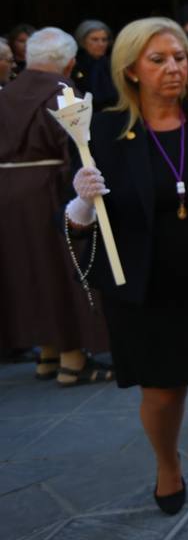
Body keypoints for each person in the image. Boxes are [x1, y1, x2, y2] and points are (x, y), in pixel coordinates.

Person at [64, 17, 188, 540]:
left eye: (178, 57)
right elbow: (77, 221)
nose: (173, 68)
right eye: (158, 59)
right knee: (162, 391)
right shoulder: (101, 131)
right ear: (130, 70)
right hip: (145, 284)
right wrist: (81, 198)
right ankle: (168, 464)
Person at [0, 28, 112, 384]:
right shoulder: (62, 92)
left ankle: (47, 353)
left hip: (7, 193)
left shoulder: (6, 93)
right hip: (49, 190)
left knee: (28, 271)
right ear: (69, 62)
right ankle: (72, 358)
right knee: (64, 269)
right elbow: (78, 147)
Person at [72, 19, 118, 110]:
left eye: (104, 40)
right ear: (83, 41)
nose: (101, 44)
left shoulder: (113, 64)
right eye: (95, 39)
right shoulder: (74, 66)